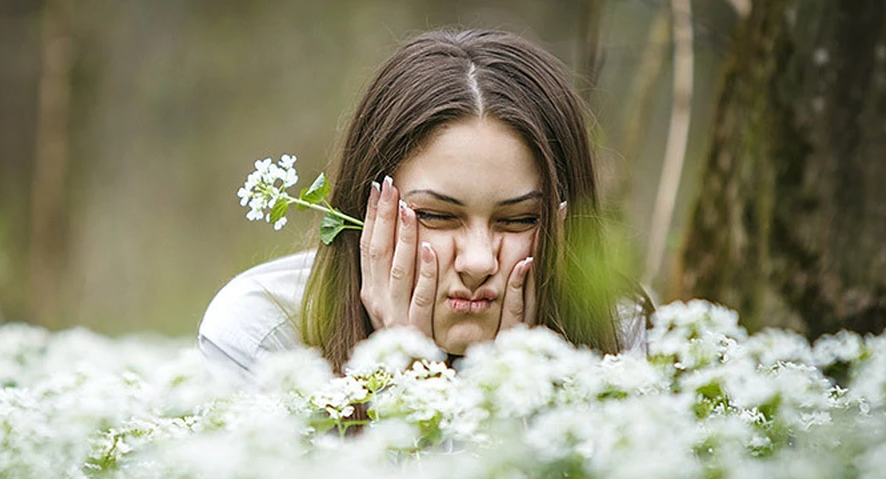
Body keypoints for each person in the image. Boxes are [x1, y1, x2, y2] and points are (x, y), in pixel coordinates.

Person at [199, 28, 651, 376]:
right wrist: (404, 382)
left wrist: (512, 395)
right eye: (436, 215)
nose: (477, 262)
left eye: (518, 220)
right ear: (365, 217)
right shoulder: (262, 336)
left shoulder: (620, 340)